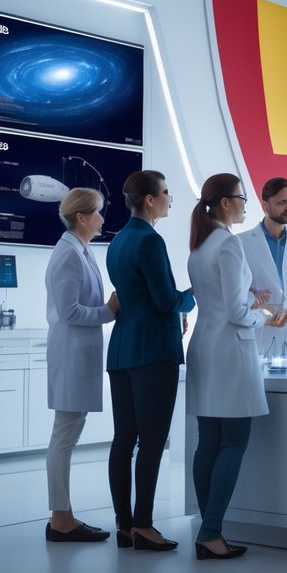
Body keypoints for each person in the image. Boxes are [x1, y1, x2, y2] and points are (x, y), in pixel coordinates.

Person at [186, 173, 287, 560]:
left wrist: (251, 299)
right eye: (240, 198)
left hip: (204, 348)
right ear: (224, 203)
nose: (244, 205)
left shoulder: (199, 247)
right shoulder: (230, 245)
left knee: (208, 444)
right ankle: (211, 532)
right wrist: (267, 316)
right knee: (233, 443)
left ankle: (207, 528)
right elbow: (236, 313)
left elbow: (219, 300)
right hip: (231, 352)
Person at [105, 171, 195, 551]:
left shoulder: (119, 240)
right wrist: (194, 294)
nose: (169, 199)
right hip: (153, 351)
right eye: (166, 193)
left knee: (124, 438)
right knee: (153, 439)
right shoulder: (149, 241)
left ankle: (125, 525)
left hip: (123, 348)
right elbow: (165, 300)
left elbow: (134, 296)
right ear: (149, 200)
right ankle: (144, 524)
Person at [43, 188, 119, 543]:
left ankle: (64, 514)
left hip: (80, 354)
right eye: (99, 213)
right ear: (82, 217)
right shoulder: (68, 255)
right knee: (64, 436)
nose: (103, 219)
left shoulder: (81, 250)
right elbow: (68, 311)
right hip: (71, 355)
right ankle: (60, 518)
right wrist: (109, 311)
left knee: (67, 434)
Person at [238, 177, 287, 366]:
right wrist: (264, 315)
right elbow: (238, 293)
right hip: (261, 328)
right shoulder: (241, 243)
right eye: (282, 202)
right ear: (265, 206)